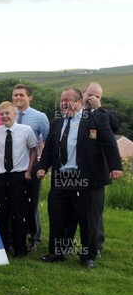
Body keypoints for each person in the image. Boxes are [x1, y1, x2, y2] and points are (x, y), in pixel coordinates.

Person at [37, 88, 123, 268]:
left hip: (87, 178)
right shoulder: (57, 121)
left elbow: (109, 143)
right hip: (62, 178)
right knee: (58, 216)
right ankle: (57, 252)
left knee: (88, 219)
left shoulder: (96, 119)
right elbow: (50, 148)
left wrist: (115, 167)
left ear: (78, 102)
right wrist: (42, 167)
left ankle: (88, 256)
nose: (64, 103)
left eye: (68, 100)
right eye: (62, 100)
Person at [75, 82, 121, 254]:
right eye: (90, 94)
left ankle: (96, 244)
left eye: (98, 96)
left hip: (95, 172)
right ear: (83, 93)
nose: (93, 98)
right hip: (74, 171)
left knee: (95, 211)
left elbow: (115, 127)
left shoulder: (105, 114)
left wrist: (99, 108)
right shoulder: (75, 114)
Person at [0, 102, 37, 257]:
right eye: (1, 114)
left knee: (19, 213)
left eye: (7, 113)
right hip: (0, 176)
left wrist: (29, 171)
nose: (4, 116)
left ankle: (20, 248)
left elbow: (33, 151)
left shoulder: (26, 131)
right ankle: (2, 247)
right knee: (1, 212)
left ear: (14, 114)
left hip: (19, 176)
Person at [12, 84, 50, 251]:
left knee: (32, 203)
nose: (17, 98)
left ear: (30, 98)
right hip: (12, 166)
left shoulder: (40, 117)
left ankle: (35, 238)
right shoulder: (9, 114)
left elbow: (49, 141)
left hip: (32, 165)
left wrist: (43, 165)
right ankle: (14, 236)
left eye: (21, 95)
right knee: (15, 202)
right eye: (15, 95)